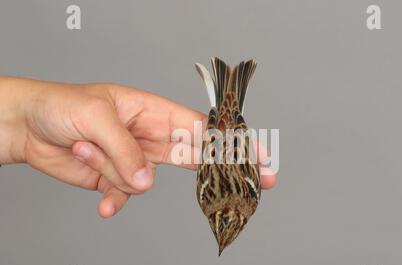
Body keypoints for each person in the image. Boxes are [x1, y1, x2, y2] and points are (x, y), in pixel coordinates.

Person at [0, 77, 276, 218]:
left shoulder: (230, 198)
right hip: (225, 139)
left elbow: (223, 162)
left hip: (224, 138)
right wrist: (23, 123)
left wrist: (24, 122)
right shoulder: (214, 200)